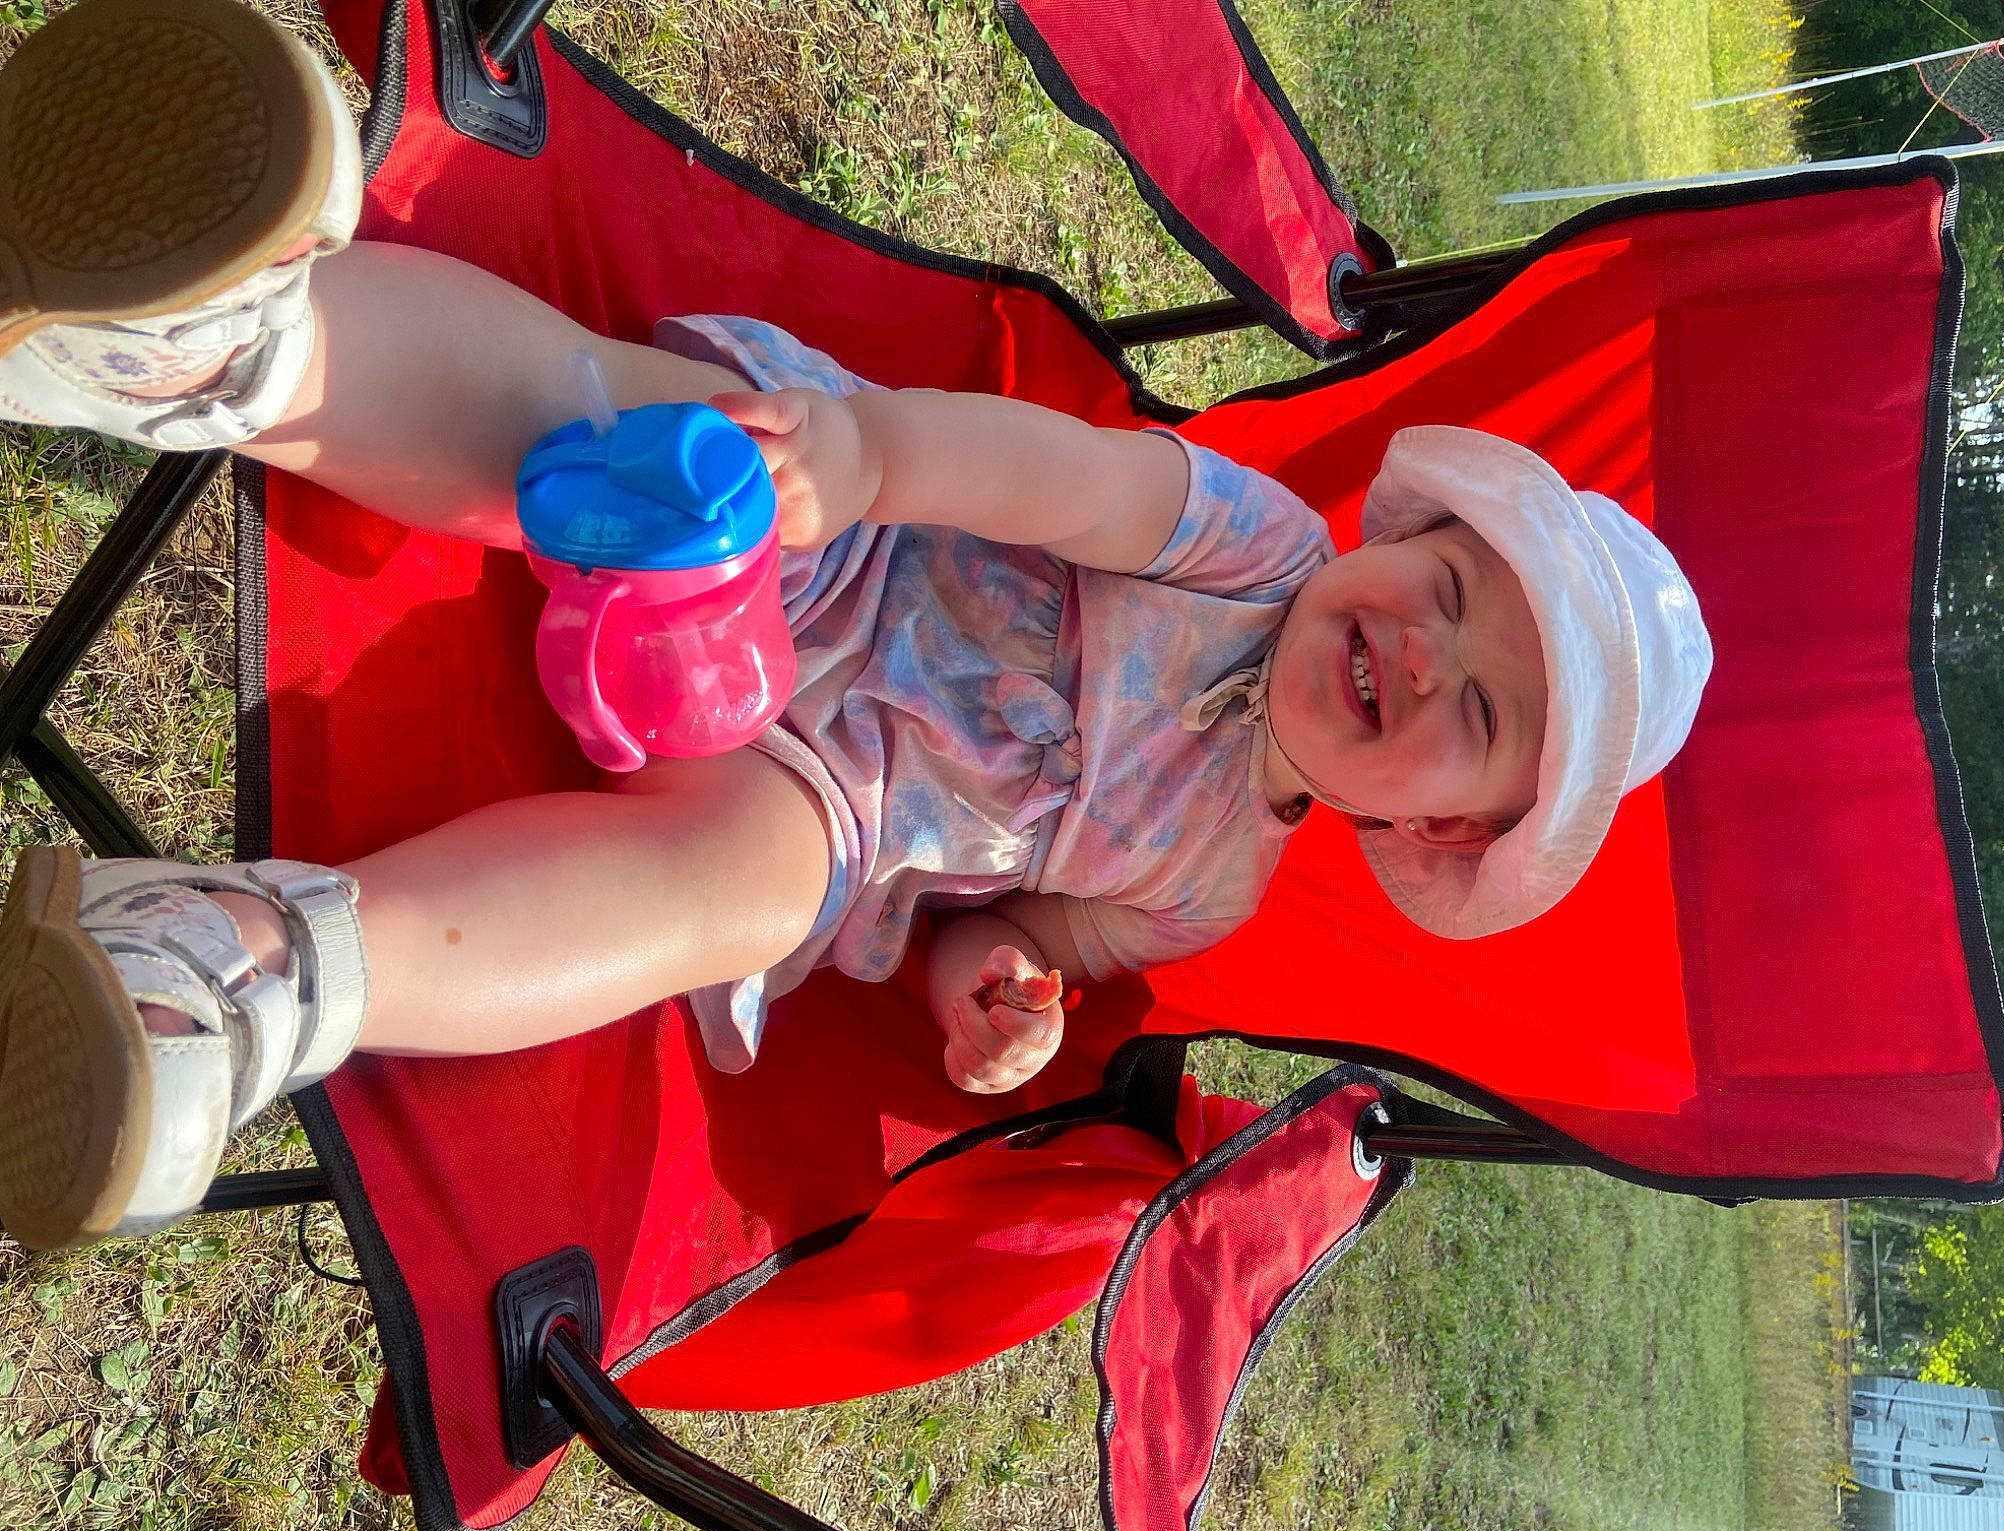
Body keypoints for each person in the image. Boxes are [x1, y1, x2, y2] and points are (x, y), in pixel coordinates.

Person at [0, 0, 1710, 1251]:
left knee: (738, 893)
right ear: (1401, 539)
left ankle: (246, 982)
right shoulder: (1251, 547)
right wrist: (865, 454)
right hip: (832, 548)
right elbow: (1049, 481)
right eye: (1457, 586)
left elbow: (1027, 916)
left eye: (1475, 713)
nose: (1425, 647)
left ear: (1432, 830)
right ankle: (221, 346)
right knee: (630, 433)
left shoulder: (1211, 885)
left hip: (827, 793)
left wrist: (1001, 991)